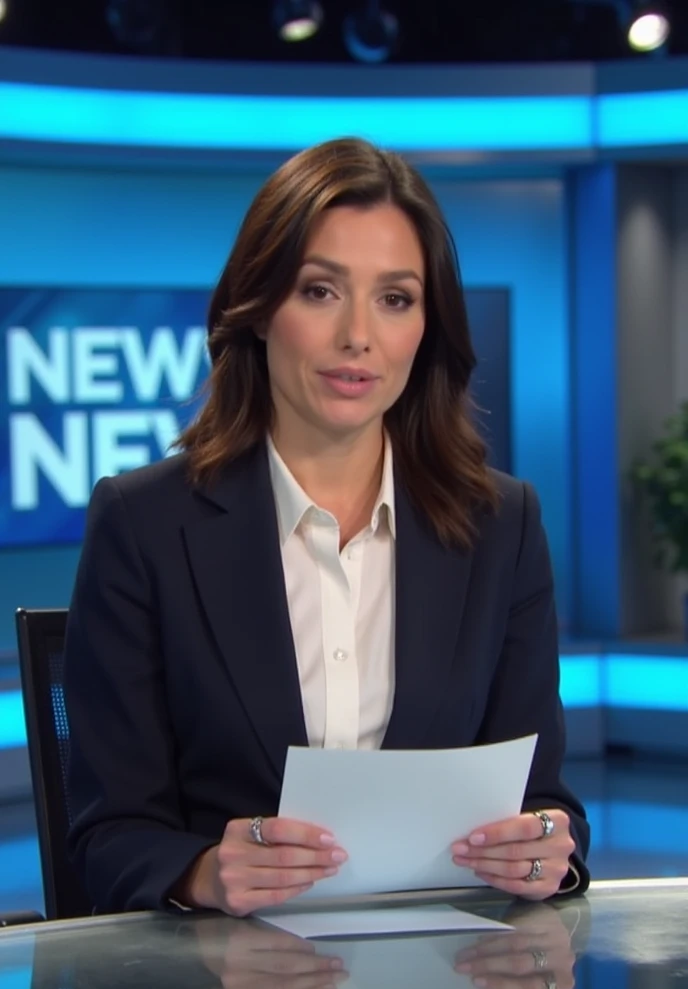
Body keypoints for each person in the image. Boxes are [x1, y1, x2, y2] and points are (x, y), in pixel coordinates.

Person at [63, 136, 590, 917]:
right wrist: (204, 872)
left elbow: (548, 802)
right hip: (222, 988)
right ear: (259, 308)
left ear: (427, 326)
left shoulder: (501, 526)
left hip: (448, 981)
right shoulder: (144, 525)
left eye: (396, 298)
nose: (358, 337)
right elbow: (106, 835)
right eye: (319, 291)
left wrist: (549, 845)